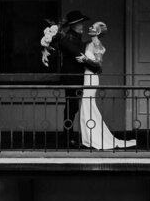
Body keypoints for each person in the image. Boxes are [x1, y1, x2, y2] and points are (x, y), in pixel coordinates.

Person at [78, 22, 137, 150]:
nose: (90, 28)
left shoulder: (97, 45)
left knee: (88, 105)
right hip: (86, 76)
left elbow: (98, 64)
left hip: (91, 78)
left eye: (93, 28)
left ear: (98, 32)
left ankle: (93, 138)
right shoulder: (89, 43)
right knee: (86, 106)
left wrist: (85, 60)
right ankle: (89, 138)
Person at [56, 10, 91, 145]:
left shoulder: (75, 37)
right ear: (73, 25)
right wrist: (96, 67)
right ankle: (68, 137)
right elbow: (79, 55)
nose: (83, 25)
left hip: (77, 77)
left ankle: (69, 136)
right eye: (80, 23)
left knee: (73, 107)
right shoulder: (68, 39)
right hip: (72, 78)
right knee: (72, 107)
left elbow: (81, 49)